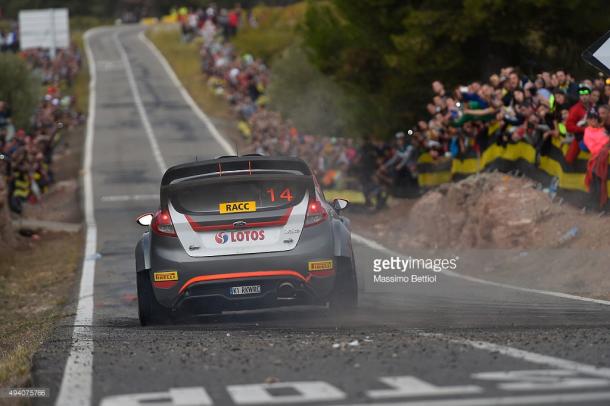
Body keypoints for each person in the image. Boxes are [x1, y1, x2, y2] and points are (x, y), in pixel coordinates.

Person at [583, 109, 609, 208]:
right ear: (588, 120)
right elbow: (592, 147)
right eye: (591, 118)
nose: (593, 120)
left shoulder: (603, 129)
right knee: (595, 175)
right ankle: (595, 203)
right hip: (597, 158)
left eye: (594, 118)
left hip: (604, 156)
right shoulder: (587, 131)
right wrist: (605, 145)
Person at [565, 84, 592, 164]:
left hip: (594, 135)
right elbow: (568, 127)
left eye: (586, 94)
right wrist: (583, 129)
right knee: (569, 159)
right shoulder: (575, 109)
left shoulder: (594, 106)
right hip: (580, 137)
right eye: (581, 95)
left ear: (590, 95)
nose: (584, 97)